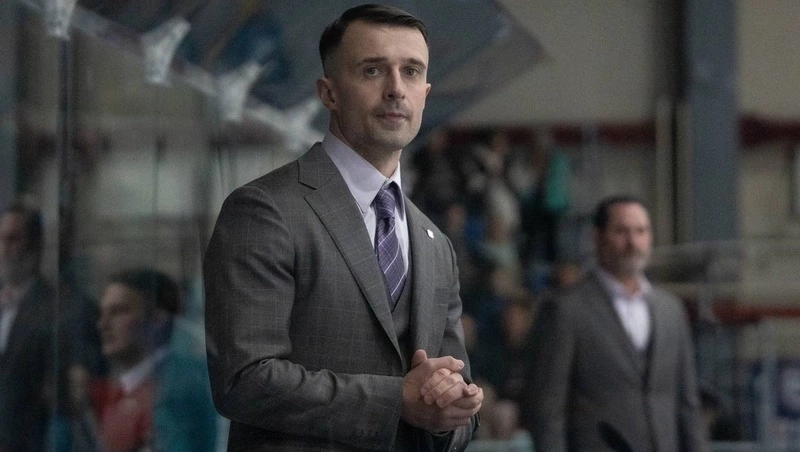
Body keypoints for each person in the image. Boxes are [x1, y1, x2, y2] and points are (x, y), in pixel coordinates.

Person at [203, 4, 483, 451]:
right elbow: (244, 380)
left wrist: (451, 413)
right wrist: (397, 401)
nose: (396, 89)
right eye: (373, 70)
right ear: (328, 93)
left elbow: (457, 410)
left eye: (411, 72)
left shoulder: (435, 243)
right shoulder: (264, 211)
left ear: (426, 93)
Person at [524, 195, 707, 451]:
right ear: (597, 237)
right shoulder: (565, 309)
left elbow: (688, 405)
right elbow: (547, 407)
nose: (633, 242)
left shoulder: (671, 310)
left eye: (641, 231)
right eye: (621, 231)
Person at [91, 269, 217, 451]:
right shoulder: (131, 386)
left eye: (119, 311)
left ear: (158, 319)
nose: (103, 324)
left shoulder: (178, 385)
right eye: (102, 312)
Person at [0, 201, 54, 452]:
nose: (4, 248)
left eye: (13, 239)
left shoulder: (53, 308)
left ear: (35, 245)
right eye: (1, 239)